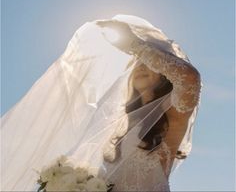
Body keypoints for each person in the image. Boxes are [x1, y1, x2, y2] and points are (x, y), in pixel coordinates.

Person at [1, 14, 202, 191]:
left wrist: (134, 45)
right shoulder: (118, 124)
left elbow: (189, 79)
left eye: (149, 62)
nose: (141, 67)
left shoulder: (172, 117)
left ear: (165, 73)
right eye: (137, 63)